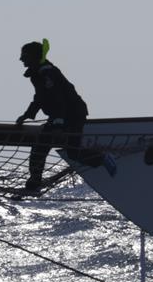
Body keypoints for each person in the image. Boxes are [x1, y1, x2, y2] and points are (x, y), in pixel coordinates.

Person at [15, 40, 113, 191]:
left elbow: (58, 97)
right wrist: (27, 115)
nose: (21, 59)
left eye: (24, 55)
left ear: (34, 56)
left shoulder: (47, 72)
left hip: (72, 114)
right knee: (41, 147)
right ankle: (34, 183)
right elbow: (40, 97)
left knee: (70, 151)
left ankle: (103, 158)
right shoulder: (38, 73)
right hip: (59, 115)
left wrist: (59, 123)